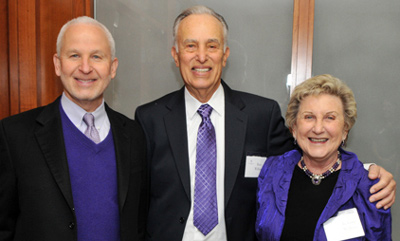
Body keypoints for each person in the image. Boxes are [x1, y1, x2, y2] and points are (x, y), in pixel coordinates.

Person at [135, 5, 395, 241]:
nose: (201, 56)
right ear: (175, 54)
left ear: (225, 55)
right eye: (191, 46)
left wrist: (367, 171)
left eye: (212, 46)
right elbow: (133, 196)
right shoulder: (149, 119)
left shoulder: (261, 115)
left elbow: (312, 151)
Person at [0, 16, 147, 241]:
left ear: (112, 67)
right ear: (58, 64)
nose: (85, 68)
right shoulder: (15, 136)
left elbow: (139, 223)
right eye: (74, 55)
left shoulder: (135, 135)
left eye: (96, 56)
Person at [256, 74, 392, 240]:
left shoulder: (369, 188)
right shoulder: (272, 172)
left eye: (330, 117)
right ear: (294, 127)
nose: (318, 128)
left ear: (345, 129)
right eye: (309, 117)